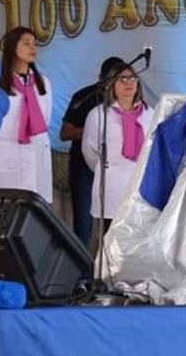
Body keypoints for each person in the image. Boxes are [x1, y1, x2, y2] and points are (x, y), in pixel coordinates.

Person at [0, 26, 53, 203]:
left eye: (34, 44)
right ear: (12, 47)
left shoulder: (43, 82)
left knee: (34, 212)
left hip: (36, 153)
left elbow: (46, 119)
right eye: (26, 43)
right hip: (5, 156)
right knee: (4, 211)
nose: (32, 48)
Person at [81, 64, 153, 234]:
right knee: (111, 241)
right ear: (112, 85)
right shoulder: (99, 114)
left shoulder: (150, 113)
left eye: (132, 78)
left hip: (140, 189)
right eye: (122, 79)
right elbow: (90, 151)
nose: (128, 83)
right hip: (112, 188)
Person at [60, 57, 124, 246]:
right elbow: (65, 133)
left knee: (114, 224)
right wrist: (93, 128)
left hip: (116, 170)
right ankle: (82, 273)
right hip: (84, 168)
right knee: (83, 224)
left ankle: (110, 270)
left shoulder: (127, 99)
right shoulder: (84, 96)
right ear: (100, 78)